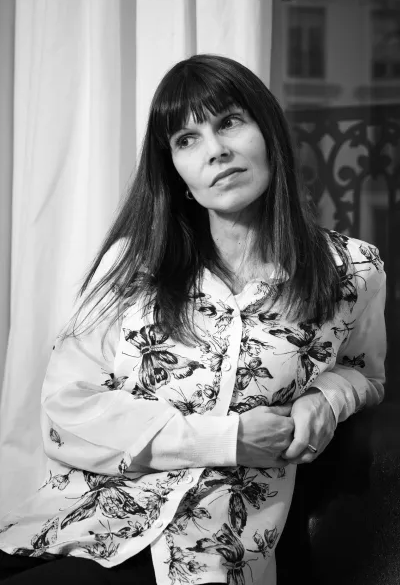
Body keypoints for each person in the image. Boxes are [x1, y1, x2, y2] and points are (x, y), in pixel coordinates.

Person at [0, 54, 386, 585]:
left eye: (230, 122)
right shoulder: (132, 264)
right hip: (78, 527)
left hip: (207, 555)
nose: (216, 150)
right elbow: (65, 411)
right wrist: (226, 439)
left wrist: (326, 397)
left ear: (268, 132)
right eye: (187, 139)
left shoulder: (353, 269)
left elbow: (365, 372)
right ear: (177, 171)